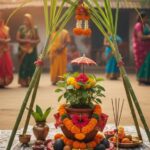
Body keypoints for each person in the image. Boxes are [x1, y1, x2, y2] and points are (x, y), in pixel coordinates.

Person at [16, 13, 40, 87]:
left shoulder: (34, 29)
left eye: (27, 19)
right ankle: (24, 81)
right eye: (25, 19)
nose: (25, 21)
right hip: (23, 50)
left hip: (32, 50)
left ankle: (32, 82)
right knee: (24, 65)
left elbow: (38, 40)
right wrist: (26, 41)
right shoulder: (21, 28)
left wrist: (32, 42)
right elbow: (18, 38)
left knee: (32, 65)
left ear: (30, 20)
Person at [132, 12, 150, 85]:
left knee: (148, 62)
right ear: (140, 18)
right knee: (142, 62)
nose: (146, 19)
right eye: (145, 18)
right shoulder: (138, 25)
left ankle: (147, 79)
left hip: (147, 47)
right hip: (140, 47)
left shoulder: (146, 25)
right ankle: (141, 79)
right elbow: (140, 36)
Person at [0, 11, 13, 87]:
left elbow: (9, 38)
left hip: (4, 49)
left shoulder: (6, 28)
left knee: (5, 65)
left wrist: (5, 40)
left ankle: (3, 82)